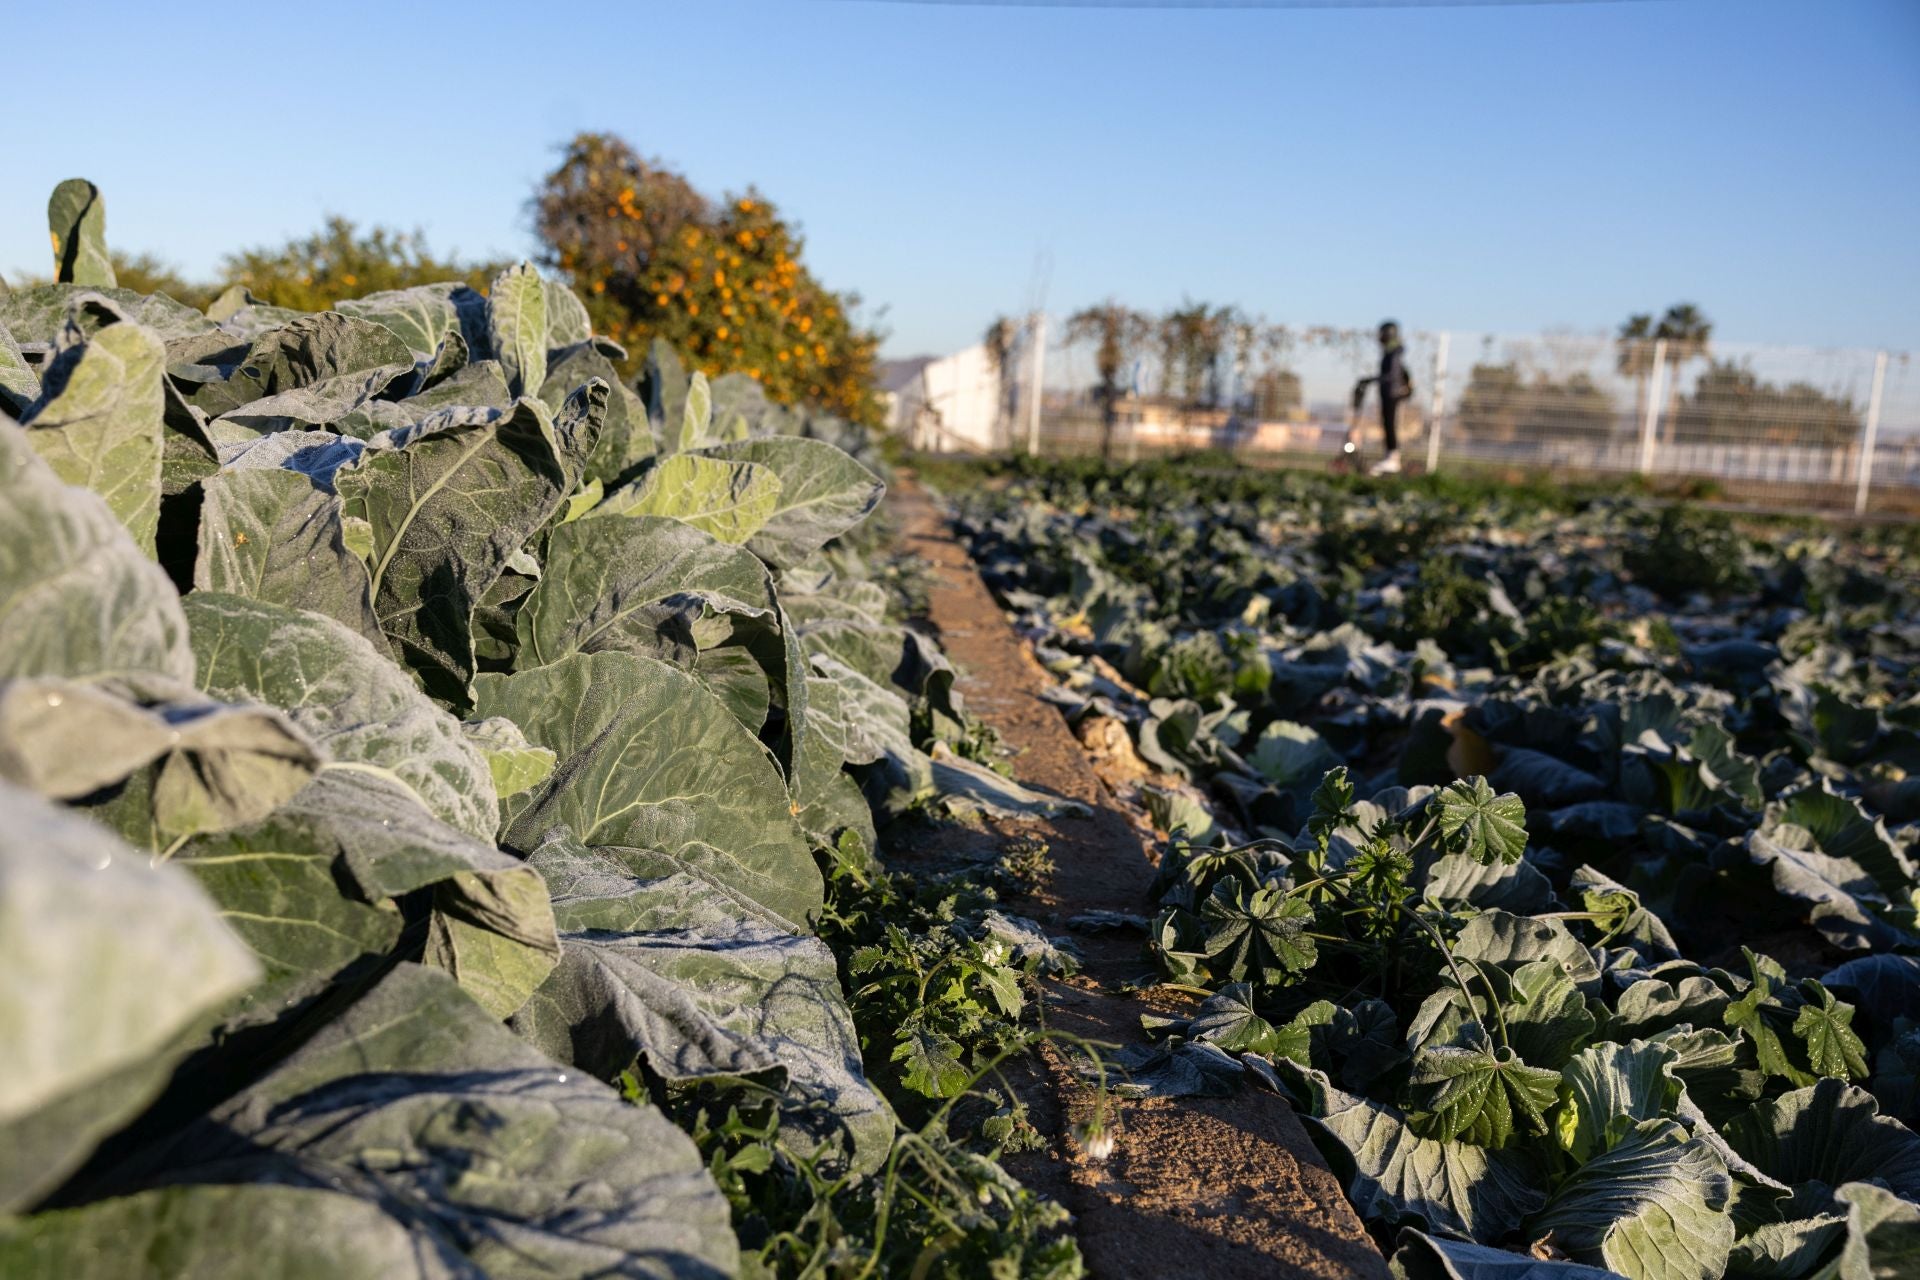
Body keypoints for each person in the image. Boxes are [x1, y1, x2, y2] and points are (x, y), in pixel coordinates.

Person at [1350, 320, 1413, 475]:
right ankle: (1389, 457)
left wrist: (1372, 380)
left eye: (1382, 333)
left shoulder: (1394, 353)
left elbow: (1391, 375)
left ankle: (1392, 459)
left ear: (1388, 334)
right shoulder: (1392, 351)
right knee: (1387, 425)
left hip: (1392, 393)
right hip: (1389, 392)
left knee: (1390, 425)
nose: (1379, 337)